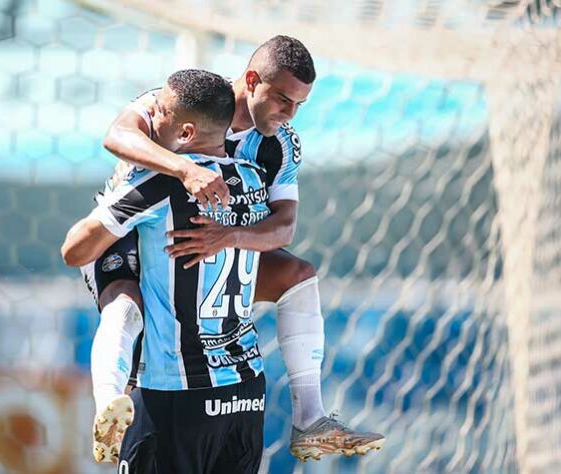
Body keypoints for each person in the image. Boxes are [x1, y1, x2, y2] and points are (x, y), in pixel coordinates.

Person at [84, 35, 384, 463]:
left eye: (299, 105)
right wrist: (183, 168)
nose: (289, 115)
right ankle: (109, 405)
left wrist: (229, 238)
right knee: (125, 301)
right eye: (282, 100)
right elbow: (116, 135)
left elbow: (284, 226)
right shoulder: (186, 101)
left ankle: (311, 418)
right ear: (250, 81)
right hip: (138, 237)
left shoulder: (279, 144)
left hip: (211, 251)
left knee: (299, 275)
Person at [63, 69, 270, 472]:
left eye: (158, 111)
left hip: (174, 393)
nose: (150, 118)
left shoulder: (162, 183)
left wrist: (114, 218)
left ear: (186, 133)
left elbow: (74, 249)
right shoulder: (255, 178)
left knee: (120, 299)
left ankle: (106, 392)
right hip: (246, 393)